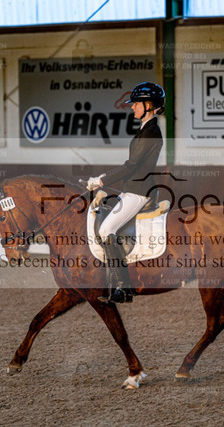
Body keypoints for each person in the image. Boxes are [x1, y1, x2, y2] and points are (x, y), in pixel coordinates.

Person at [86, 82, 165, 303]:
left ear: (148, 105)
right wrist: (104, 177)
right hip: (132, 188)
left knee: (107, 230)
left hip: (139, 192)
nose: (132, 107)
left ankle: (123, 288)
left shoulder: (151, 132)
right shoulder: (145, 128)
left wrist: (101, 181)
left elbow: (131, 165)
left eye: (136, 104)